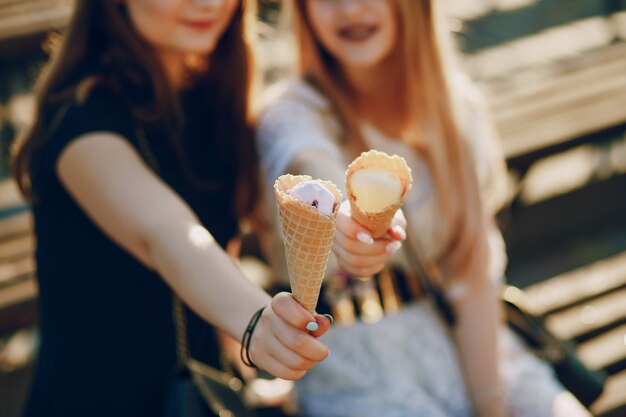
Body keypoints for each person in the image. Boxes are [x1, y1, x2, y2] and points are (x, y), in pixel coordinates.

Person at [256, 0, 592, 416]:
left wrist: (491, 403)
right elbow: (311, 169)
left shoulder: (457, 111)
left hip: (466, 342)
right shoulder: (290, 112)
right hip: (353, 365)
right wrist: (347, 220)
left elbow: (472, 276)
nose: (349, 9)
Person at [11, 1, 331, 416]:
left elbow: (218, 246)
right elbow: (168, 235)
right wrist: (256, 321)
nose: (210, 4)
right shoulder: (80, 120)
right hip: (100, 398)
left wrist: (241, 366)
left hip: (202, 393)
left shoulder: (210, 94)